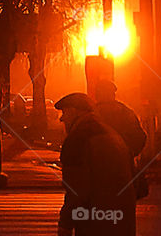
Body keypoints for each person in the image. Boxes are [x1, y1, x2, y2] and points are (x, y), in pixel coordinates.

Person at [55, 92, 136, 236]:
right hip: (123, 219)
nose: (62, 118)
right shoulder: (113, 135)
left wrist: (65, 224)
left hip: (96, 221)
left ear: (74, 112)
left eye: (65, 112)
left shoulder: (77, 140)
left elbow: (76, 189)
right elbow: (138, 183)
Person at [94, 80, 147, 197]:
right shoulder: (125, 112)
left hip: (97, 171)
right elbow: (140, 137)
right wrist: (128, 152)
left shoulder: (92, 114)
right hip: (123, 170)